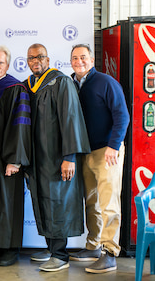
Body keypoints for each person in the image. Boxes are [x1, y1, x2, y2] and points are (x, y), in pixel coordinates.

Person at [23, 43, 90, 272]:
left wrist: (69, 157)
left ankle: (60, 255)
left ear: (48, 59)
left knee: (57, 203)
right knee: (42, 202)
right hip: (36, 159)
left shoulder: (61, 82)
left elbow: (70, 119)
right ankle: (51, 248)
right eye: (31, 58)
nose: (36, 61)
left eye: (40, 57)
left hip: (56, 157)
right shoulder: (28, 86)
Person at [68, 44, 129, 273]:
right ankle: (93, 246)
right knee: (91, 202)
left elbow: (122, 115)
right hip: (85, 152)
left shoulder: (106, 82)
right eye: (75, 58)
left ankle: (110, 252)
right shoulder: (71, 83)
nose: (79, 61)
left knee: (108, 203)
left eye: (83, 57)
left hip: (107, 152)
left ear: (92, 60)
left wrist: (114, 146)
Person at [0, 45, 30, 266]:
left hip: (7, 157)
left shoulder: (16, 88)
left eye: (0, 63)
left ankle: (10, 249)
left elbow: (20, 127)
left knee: (8, 200)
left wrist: (15, 159)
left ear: (8, 65)